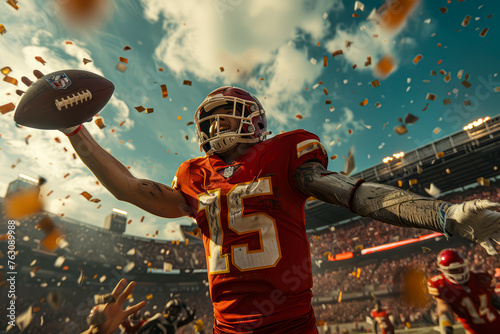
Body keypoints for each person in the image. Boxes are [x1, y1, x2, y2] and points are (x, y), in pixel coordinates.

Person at [53, 83, 500, 333]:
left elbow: (352, 193)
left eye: (223, 116)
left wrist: (442, 215)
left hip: (288, 324)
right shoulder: (194, 173)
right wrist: (77, 132)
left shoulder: (285, 152)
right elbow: (129, 188)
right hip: (226, 327)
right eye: (208, 121)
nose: (213, 126)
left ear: (254, 120)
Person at [427, 249, 500, 334]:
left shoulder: (480, 277)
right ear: (443, 270)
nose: (458, 272)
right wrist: (445, 326)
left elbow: (495, 301)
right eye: (453, 270)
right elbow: (444, 309)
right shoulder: (441, 285)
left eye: (460, 268)